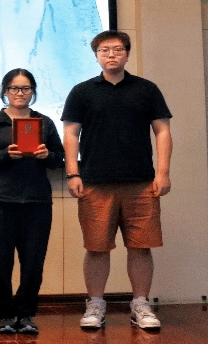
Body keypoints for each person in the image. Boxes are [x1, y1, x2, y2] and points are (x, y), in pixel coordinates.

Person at [62, 30, 172, 331]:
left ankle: (141, 304)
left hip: (141, 183)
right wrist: (73, 173)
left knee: (141, 247)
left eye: (118, 49)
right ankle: (95, 304)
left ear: (127, 53)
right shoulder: (82, 91)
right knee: (96, 247)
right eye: (104, 50)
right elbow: (70, 133)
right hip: (95, 183)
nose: (111, 55)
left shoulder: (146, 89)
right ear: (96, 55)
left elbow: (162, 131)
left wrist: (163, 172)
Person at [0, 68, 64, 334]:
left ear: (33, 91)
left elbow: (59, 157)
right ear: (5, 91)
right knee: (0, 262)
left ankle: (26, 314)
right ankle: (4, 315)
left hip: (37, 201)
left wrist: (46, 155)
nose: (20, 93)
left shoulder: (44, 122)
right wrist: (4, 155)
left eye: (26, 88)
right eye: (14, 88)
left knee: (33, 262)